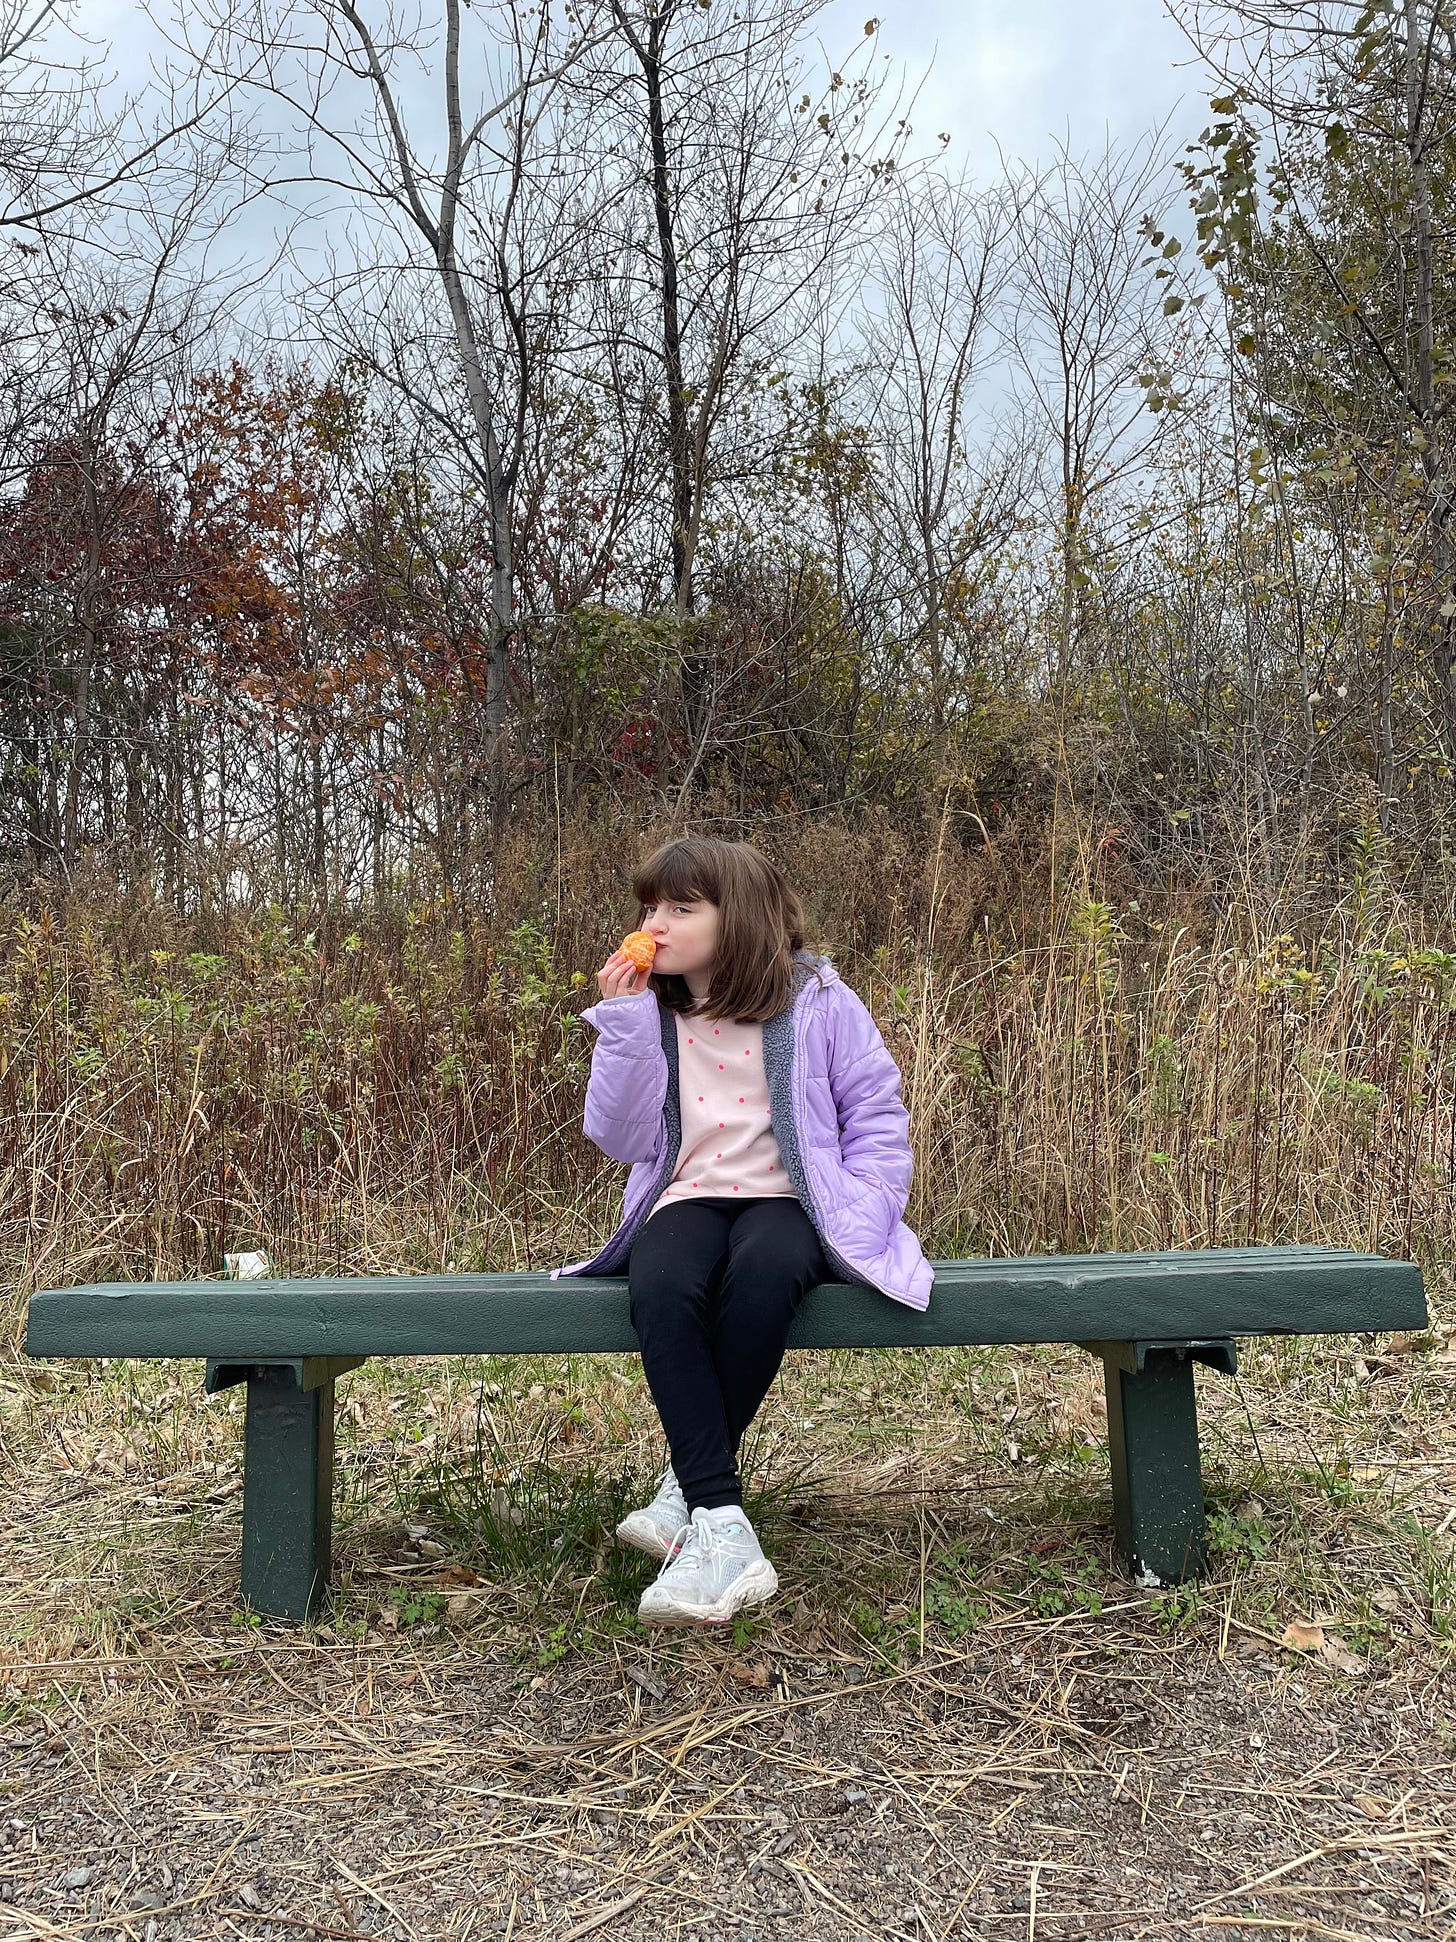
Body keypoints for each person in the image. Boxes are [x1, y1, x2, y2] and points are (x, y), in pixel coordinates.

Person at [550, 836, 934, 1626]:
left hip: (792, 1200)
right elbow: (619, 1138)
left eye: (680, 909)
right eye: (650, 907)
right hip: (686, 1193)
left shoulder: (818, 997)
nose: (656, 923)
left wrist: (864, 1206)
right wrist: (620, 1023)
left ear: (742, 918)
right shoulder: (648, 1010)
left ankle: (690, 1494)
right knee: (661, 1287)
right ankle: (724, 1524)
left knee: (763, 1279)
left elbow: (876, 1111)